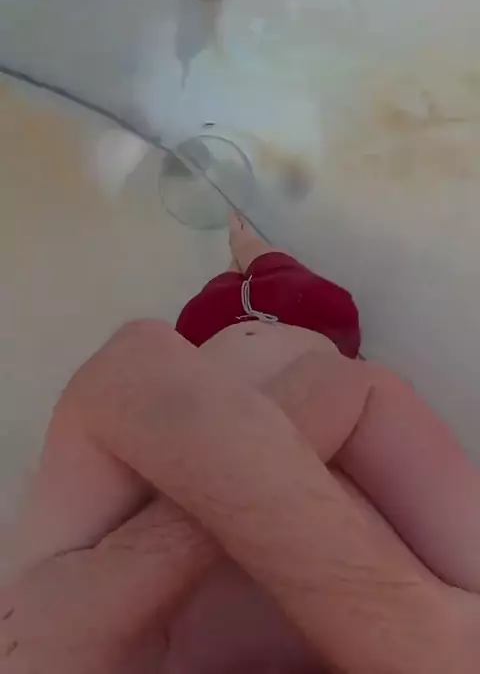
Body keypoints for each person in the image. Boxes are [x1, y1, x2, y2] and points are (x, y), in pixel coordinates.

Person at [2, 218, 480, 673]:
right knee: (265, 257)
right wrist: (400, 629)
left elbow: (131, 368)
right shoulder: (448, 645)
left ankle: (238, 246)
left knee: (224, 281)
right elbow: (350, 389)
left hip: (201, 339)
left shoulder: (50, 652)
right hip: (312, 320)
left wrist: (218, 504)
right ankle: (245, 239)